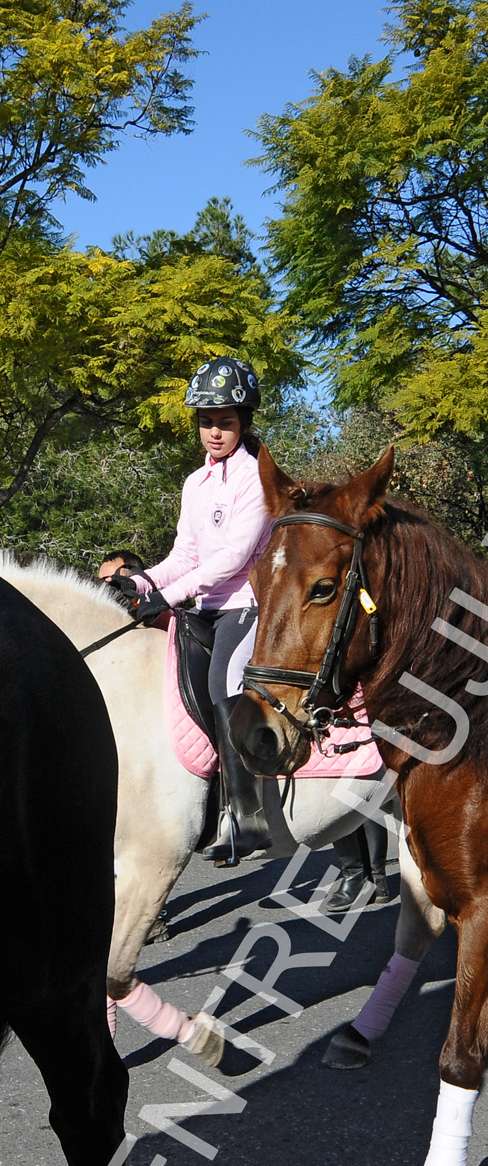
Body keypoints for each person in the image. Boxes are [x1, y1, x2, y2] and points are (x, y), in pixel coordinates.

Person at [120, 356, 273, 863]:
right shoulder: (194, 483)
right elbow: (185, 554)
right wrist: (142, 582)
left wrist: (171, 595)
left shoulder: (257, 479)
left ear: (243, 423)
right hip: (203, 606)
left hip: (244, 604)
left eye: (225, 422)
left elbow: (232, 559)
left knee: (221, 686)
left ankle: (249, 817)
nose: (214, 431)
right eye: (207, 421)